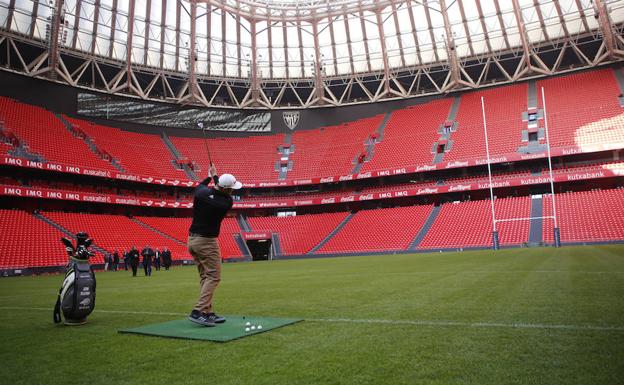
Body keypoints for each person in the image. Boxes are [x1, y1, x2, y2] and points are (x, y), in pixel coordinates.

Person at [187, 163, 241, 327]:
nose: (233, 191)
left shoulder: (202, 193)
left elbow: (201, 187)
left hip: (192, 241)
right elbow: (223, 194)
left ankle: (207, 312)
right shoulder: (225, 203)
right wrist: (216, 176)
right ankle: (198, 311)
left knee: (205, 276)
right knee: (214, 276)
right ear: (228, 190)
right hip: (207, 242)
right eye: (231, 188)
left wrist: (210, 176)